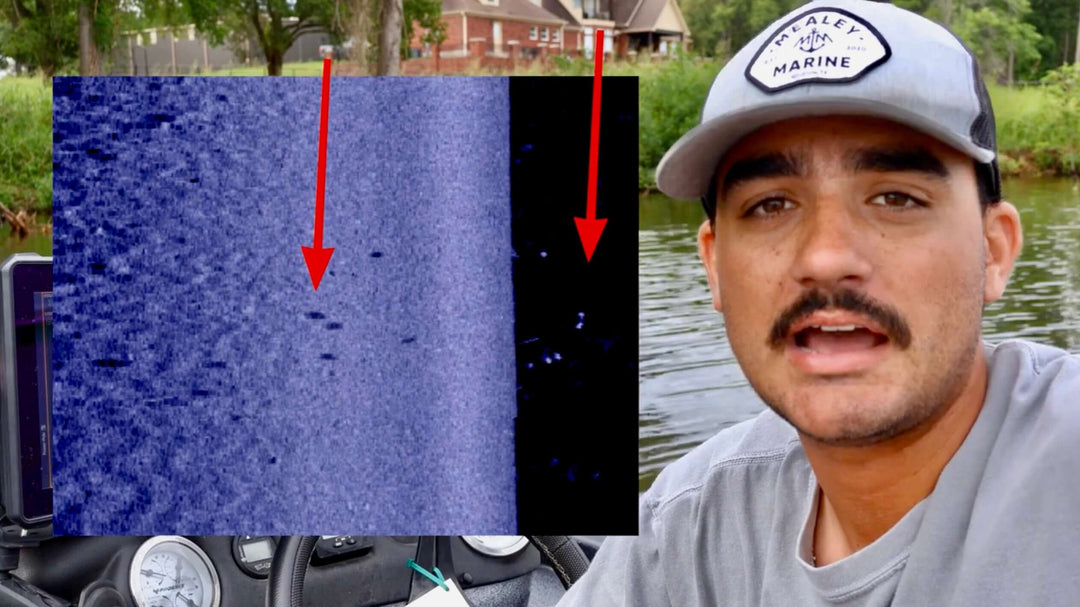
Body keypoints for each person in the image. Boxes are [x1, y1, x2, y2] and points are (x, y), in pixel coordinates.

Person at [557, 1, 1080, 605]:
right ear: (714, 265)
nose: (826, 257)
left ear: (994, 250)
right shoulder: (688, 527)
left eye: (895, 198)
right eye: (770, 205)